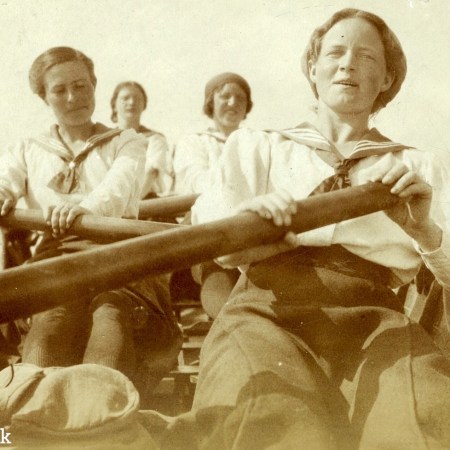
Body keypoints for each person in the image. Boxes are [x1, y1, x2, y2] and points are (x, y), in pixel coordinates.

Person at [161, 9, 450, 449]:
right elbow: (215, 246)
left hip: (375, 321)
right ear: (313, 69)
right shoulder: (258, 146)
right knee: (275, 422)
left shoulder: (414, 166)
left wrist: (424, 230)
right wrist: (247, 226)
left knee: (421, 416)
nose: (348, 64)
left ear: (387, 79)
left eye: (366, 57)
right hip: (266, 312)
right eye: (335, 53)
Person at [0, 47, 181, 400]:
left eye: (81, 86)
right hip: (57, 259)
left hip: (117, 255)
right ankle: (32, 414)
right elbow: (5, 180)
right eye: (60, 90)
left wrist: (81, 210)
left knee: (109, 315)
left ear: (94, 86)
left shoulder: (126, 141)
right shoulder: (27, 148)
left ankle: (100, 413)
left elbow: (118, 187)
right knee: (50, 320)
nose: (73, 97)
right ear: (44, 97)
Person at [172, 73, 253, 318]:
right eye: (225, 96)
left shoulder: (256, 142)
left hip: (248, 221)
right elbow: (196, 182)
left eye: (240, 98)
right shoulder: (193, 142)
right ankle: (229, 320)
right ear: (211, 102)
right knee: (216, 258)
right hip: (207, 222)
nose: (233, 102)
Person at [110, 80, 174, 198]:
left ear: (144, 105)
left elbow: (150, 173)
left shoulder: (154, 139)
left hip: (144, 200)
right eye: (125, 98)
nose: (132, 102)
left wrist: (128, 203)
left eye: (137, 99)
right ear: (114, 105)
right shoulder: (104, 141)